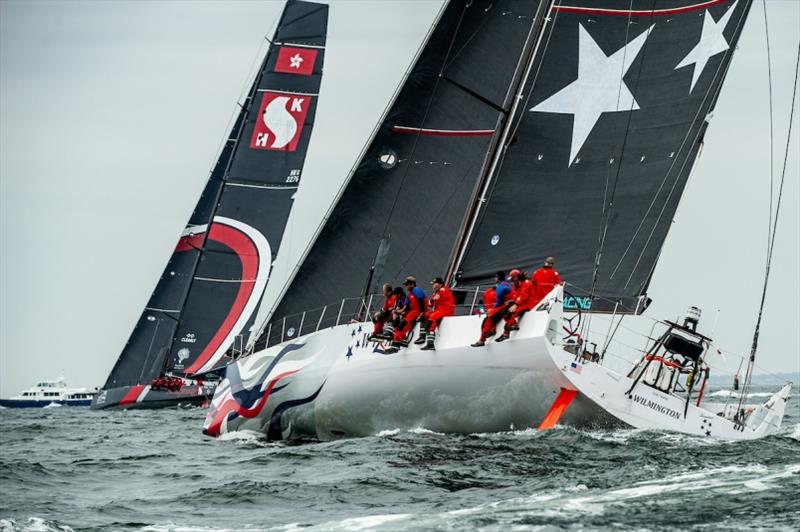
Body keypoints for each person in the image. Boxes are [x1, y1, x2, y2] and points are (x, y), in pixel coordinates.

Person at [471, 271, 514, 347]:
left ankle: (484, 338)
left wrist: (489, 310)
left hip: (501, 308)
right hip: (503, 307)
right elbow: (480, 305)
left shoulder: (499, 289)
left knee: (489, 319)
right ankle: (488, 334)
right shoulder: (508, 286)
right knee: (489, 318)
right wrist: (484, 311)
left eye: (496, 277)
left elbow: (499, 303)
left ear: (498, 278)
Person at [386, 276, 427, 352]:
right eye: (406, 284)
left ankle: (396, 345)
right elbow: (406, 307)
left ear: (412, 284)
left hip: (416, 313)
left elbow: (421, 301)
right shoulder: (409, 294)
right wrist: (397, 312)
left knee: (402, 325)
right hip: (411, 314)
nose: (406, 286)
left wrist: (422, 312)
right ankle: (397, 344)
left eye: (407, 284)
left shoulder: (416, 290)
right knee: (399, 326)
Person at [495, 269, 536, 342]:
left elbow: (524, 296)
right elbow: (516, 296)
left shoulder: (526, 284)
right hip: (521, 303)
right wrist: (512, 302)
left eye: (512, 279)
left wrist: (515, 304)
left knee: (512, 312)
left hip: (528, 304)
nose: (512, 281)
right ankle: (513, 325)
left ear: (516, 278)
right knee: (504, 311)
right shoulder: (516, 285)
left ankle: (506, 334)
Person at [416, 277, 455, 351]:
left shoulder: (442, 290)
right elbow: (431, 303)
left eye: (434, 284)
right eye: (433, 284)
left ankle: (430, 344)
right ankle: (422, 337)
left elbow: (432, 301)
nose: (433, 285)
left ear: (439, 284)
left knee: (431, 319)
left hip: (446, 310)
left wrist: (429, 302)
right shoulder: (436, 292)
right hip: (439, 310)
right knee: (425, 315)